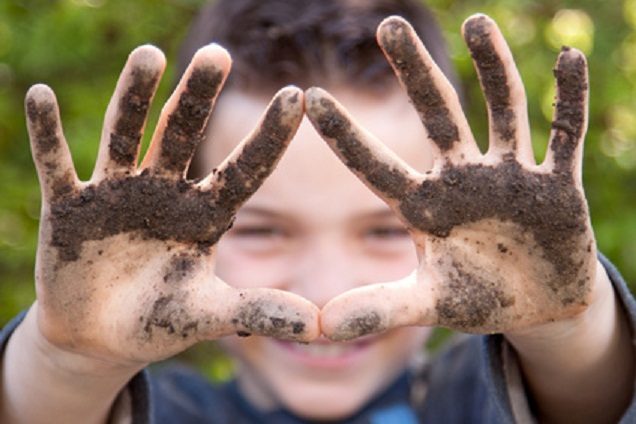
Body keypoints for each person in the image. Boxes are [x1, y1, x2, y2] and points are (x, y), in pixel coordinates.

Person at [1, 0, 635, 423]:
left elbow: (591, 402)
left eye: (387, 227)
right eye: (263, 228)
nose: (328, 293)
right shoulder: (162, 408)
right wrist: (71, 364)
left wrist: (568, 332)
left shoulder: (467, 400)